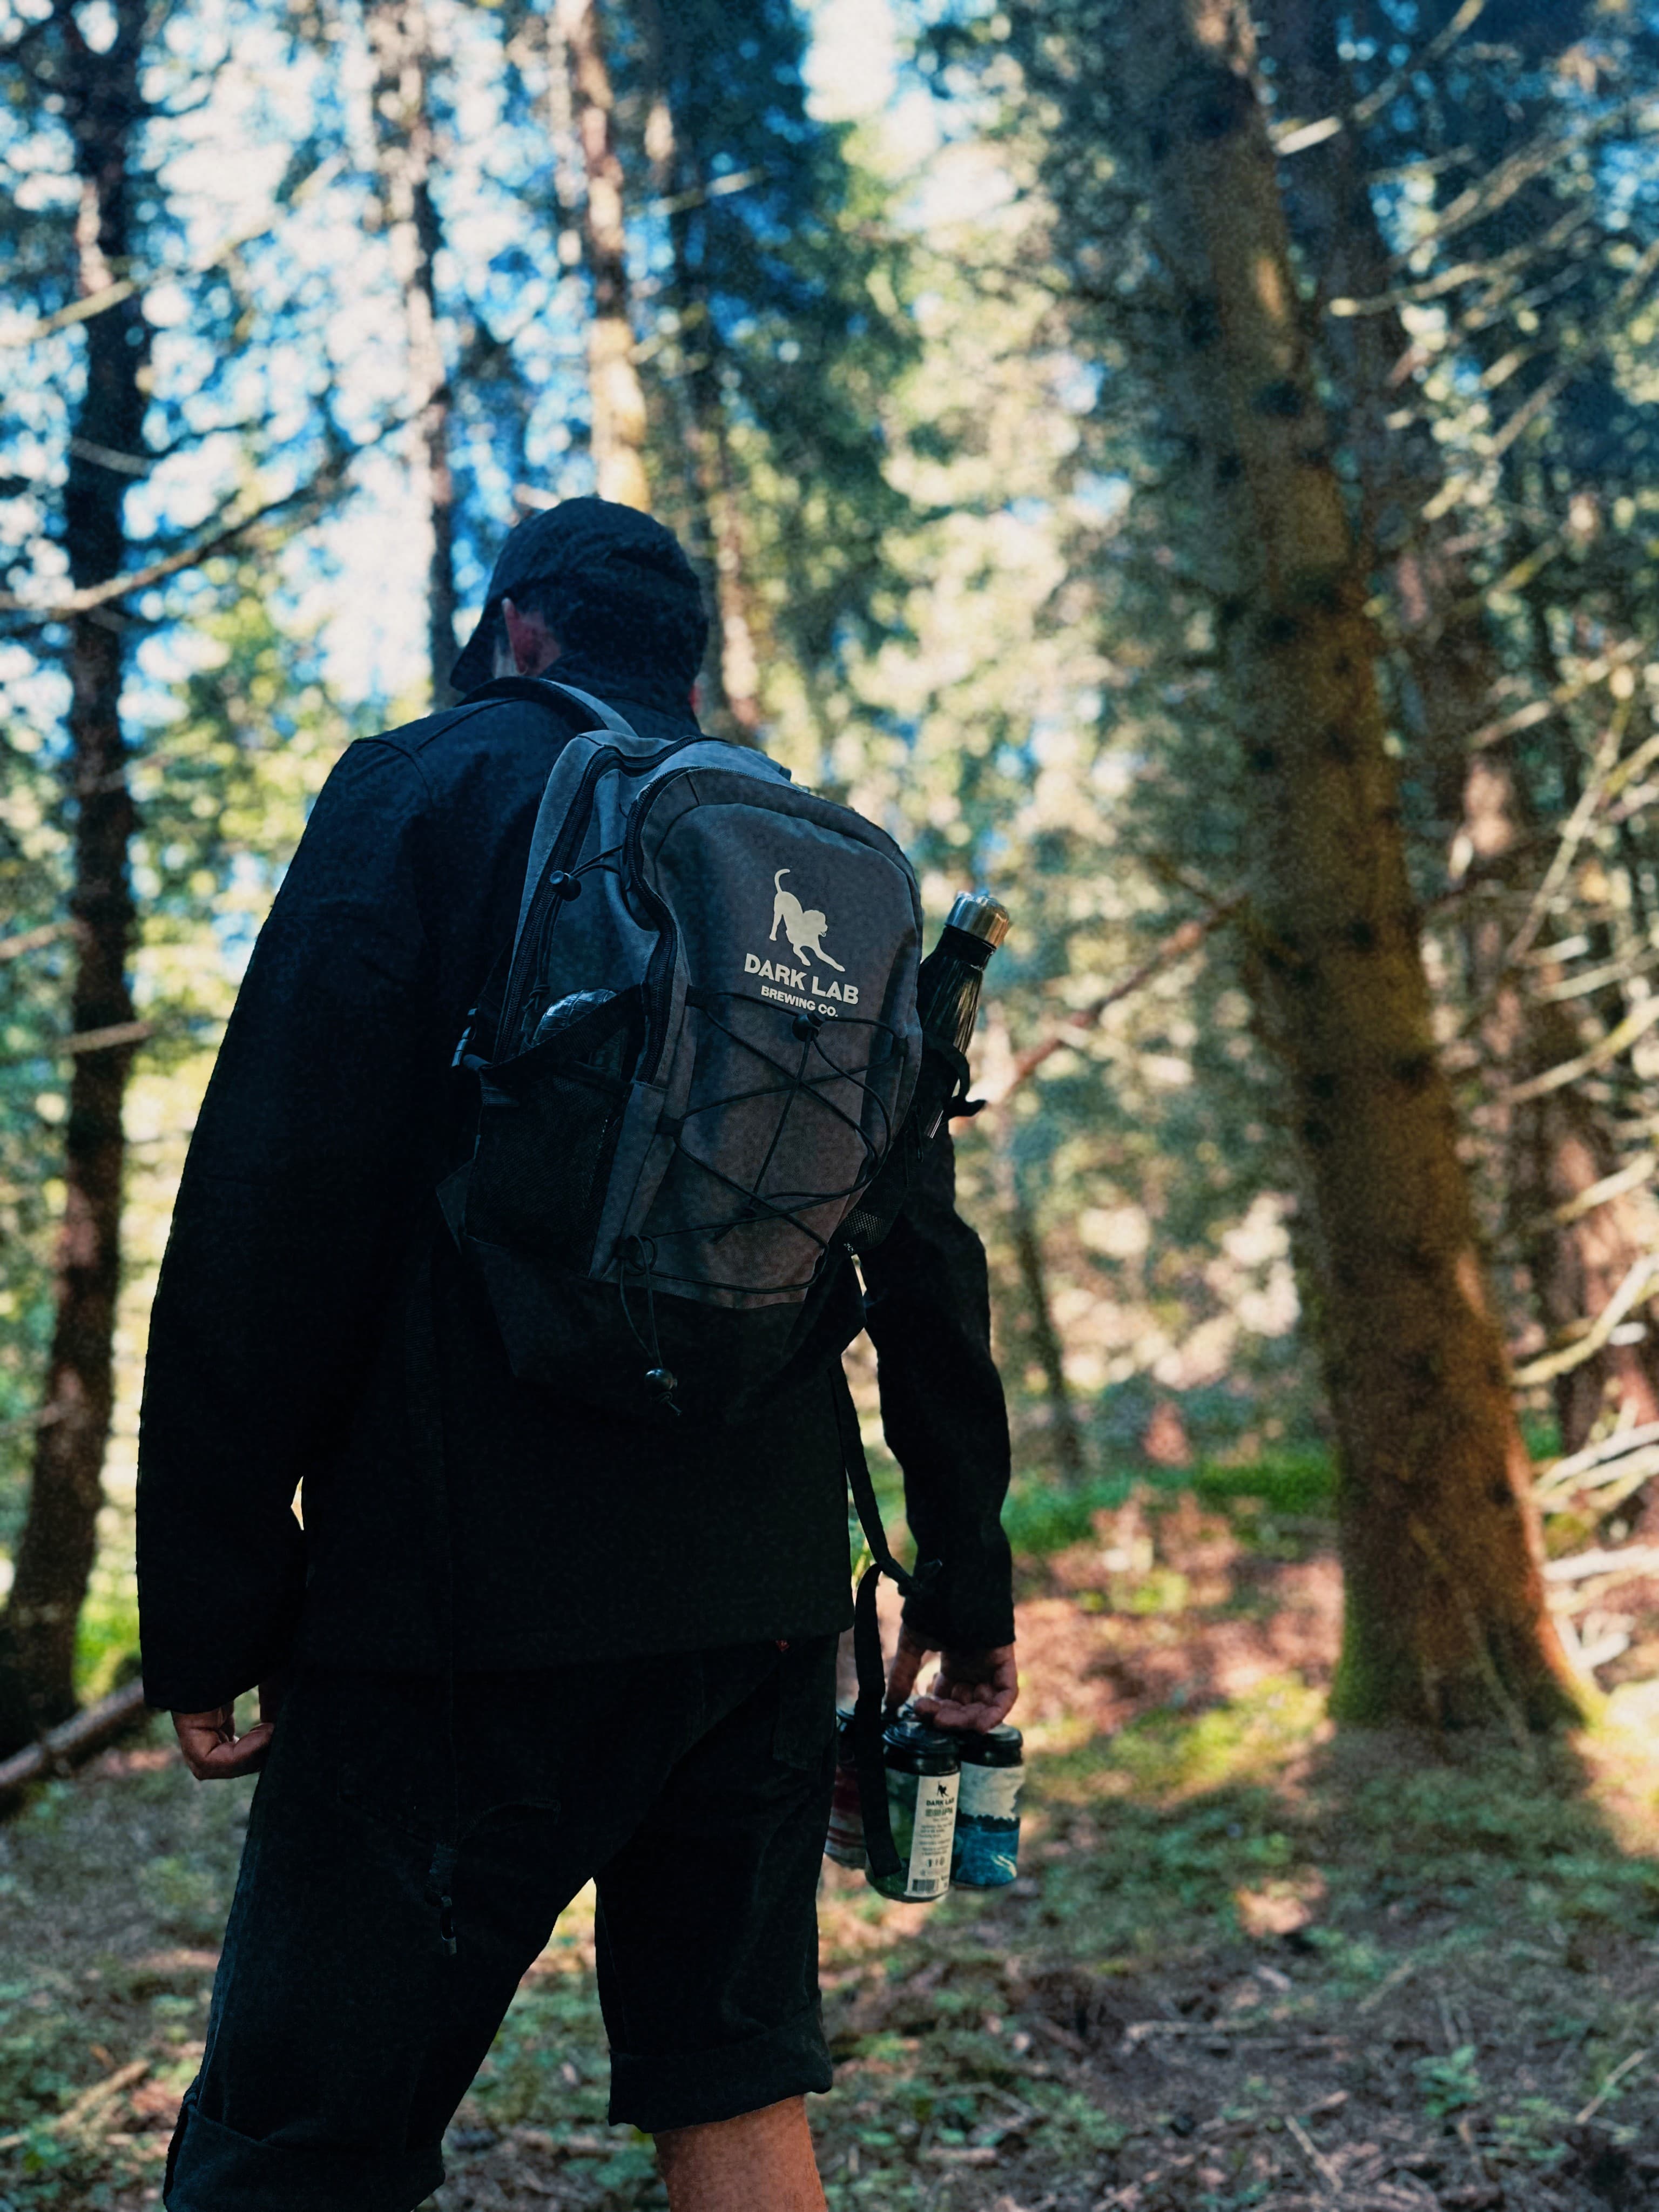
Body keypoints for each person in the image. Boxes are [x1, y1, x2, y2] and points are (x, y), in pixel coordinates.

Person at [137, 495, 1017, 2212]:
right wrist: (966, 1595)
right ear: (680, 658)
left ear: (522, 629)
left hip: (462, 1608)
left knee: (297, 2141)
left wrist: (217, 1597)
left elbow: (270, 1197)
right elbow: (924, 1264)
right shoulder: (821, 865)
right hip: (763, 1609)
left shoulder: (419, 787)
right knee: (734, 2083)